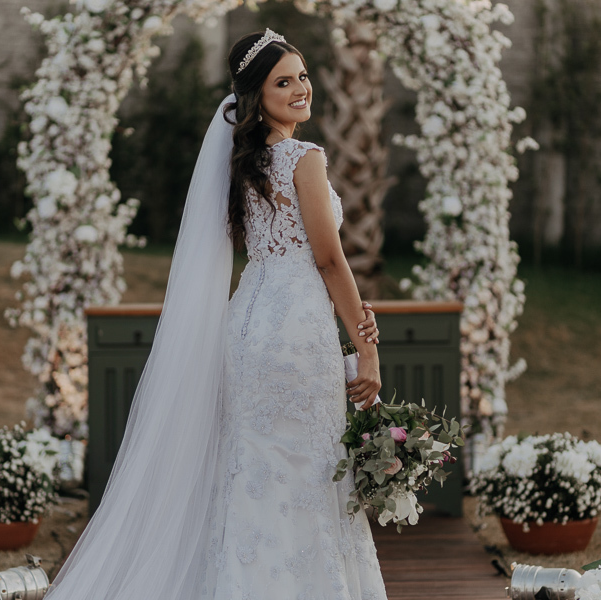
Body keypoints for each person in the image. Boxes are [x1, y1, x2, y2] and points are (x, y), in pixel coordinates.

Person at [42, 29, 388, 600]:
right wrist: (366, 346)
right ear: (257, 96)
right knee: (307, 464)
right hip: (295, 329)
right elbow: (328, 259)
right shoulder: (304, 158)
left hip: (247, 321)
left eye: (302, 76)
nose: (300, 89)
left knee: (250, 465)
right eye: (283, 82)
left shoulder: (241, 162)